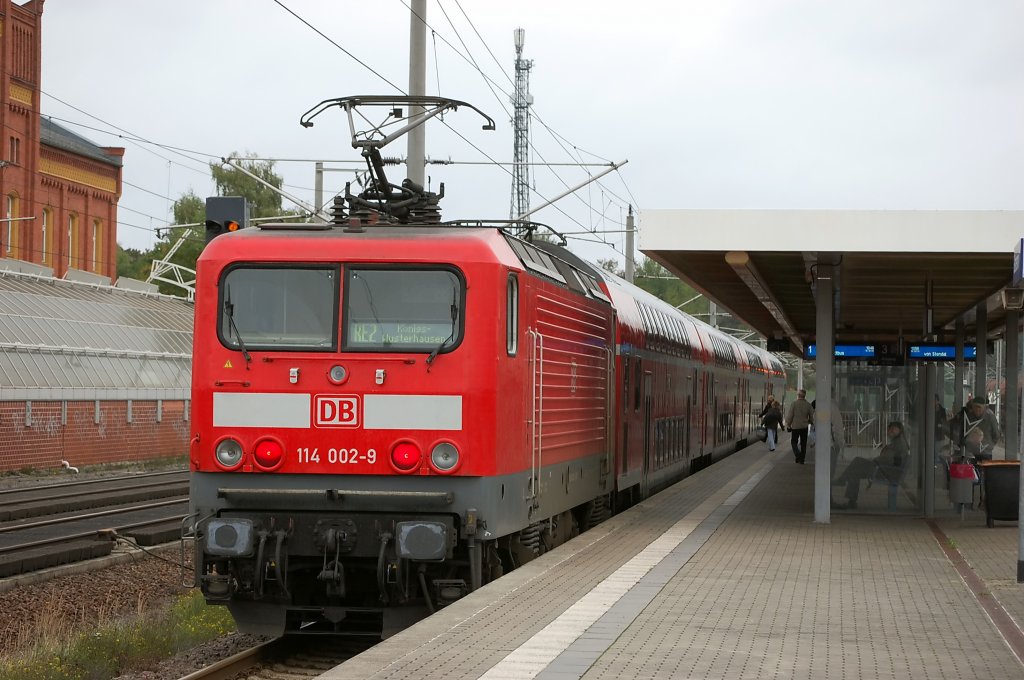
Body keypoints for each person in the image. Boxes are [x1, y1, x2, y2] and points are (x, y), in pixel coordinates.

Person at [832, 421, 909, 509]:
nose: (891, 431)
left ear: (900, 430)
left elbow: (891, 459)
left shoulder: (899, 443)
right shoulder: (897, 441)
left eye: (894, 429)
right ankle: (851, 500)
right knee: (855, 470)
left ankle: (842, 482)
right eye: (890, 429)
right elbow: (888, 458)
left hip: (884, 471)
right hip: (883, 469)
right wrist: (874, 460)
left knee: (857, 463)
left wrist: (875, 460)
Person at [949, 397, 999, 462]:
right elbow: (962, 433)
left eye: (979, 407)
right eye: (975, 407)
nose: (977, 410)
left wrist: (989, 446)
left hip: (985, 452)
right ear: (972, 407)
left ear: (984, 407)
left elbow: (996, 435)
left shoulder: (990, 417)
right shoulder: (968, 417)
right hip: (971, 452)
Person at [785, 389, 814, 464]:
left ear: (798, 395)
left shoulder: (794, 404)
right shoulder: (808, 405)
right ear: (805, 396)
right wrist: (810, 421)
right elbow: (812, 415)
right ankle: (802, 459)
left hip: (795, 426)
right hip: (804, 427)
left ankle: (798, 454)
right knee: (803, 443)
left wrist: (788, 424)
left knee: (794, 442)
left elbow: (790, 415)